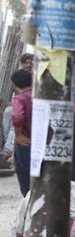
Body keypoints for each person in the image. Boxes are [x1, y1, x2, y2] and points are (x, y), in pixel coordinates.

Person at [11, 69, 32, 197]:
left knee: (25, 177)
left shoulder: (19, 98)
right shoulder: (40, 96)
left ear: (15, 84)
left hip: (26, 143)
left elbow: (17, 117)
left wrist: (18, 135)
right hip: (44, 143)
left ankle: (28, 204)